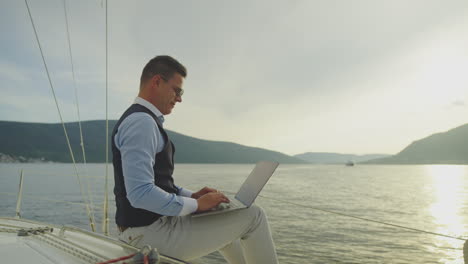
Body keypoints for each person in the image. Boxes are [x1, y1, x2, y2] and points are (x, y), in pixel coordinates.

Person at [112, 55, 278, 264]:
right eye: (177, 90)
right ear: (156, 82)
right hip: (146, 236)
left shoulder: (144, 120)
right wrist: (197, 205)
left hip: (147, 230)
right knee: (254, 216)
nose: (179, 98)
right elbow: (140, 194)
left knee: (225, 229)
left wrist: (192, 195)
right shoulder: (142, 122)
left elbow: (156, 182)